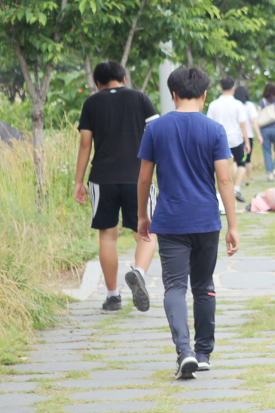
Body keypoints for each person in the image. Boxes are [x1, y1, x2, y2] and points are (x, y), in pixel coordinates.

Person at [136, 67, 239, 379]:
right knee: (204, 286)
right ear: (205, 95)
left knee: (175, 287)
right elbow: (225, 180)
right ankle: (203, 353)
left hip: (170, 221)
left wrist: (142, 216)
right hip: (206, 219)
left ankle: (185, 351)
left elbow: (144, 179)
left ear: (173, 94)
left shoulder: (155, 129)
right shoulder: (214, 129)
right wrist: (233, 226)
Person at [74, 61, 159, 313]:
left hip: (102, 179)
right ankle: (139, 272)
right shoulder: (140, 98)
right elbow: (157, 135)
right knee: (146, 232)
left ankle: (112, 297)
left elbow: (85, 144)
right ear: (123, 79)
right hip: (138, 177)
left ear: (98, 83)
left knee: (107, 236)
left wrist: (78, 181)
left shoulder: (91, 103)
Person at [206, 78, 250, 203]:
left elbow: (209, 124)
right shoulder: (238, 104)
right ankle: (236, 188)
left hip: (218, 140)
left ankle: (218, 191)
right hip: (235, 140)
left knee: (218, 166)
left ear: (221, 88)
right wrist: (247, 142)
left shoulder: (214, 104)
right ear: (233, 88)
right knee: (241, 163)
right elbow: (242, 124)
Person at [233, 85, 263, 187]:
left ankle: (237, 180)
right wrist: (259, 134)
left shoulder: (234, 104)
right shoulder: (250, 105)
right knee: (248, 159)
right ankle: (248, 179)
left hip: (236, 135)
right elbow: (253, 121)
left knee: (236, 160)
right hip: (248, 135)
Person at [257, 83, 275, 181]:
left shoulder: (262, 102)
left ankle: (270, 174)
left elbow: (258, 115)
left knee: (267, 151)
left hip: (264, 129)